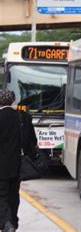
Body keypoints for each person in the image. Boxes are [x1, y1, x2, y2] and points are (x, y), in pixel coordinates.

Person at [0, 90, 21, 232]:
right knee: (13, 195)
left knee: (1, 195)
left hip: (1, 165)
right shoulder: (19, 116)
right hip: (16, 164)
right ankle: (13, 221)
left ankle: (7, 223)